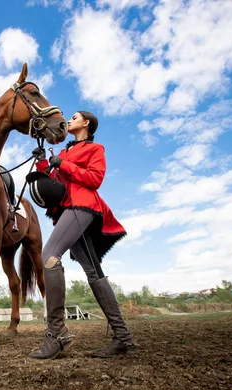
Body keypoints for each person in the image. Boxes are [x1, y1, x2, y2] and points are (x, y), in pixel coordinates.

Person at [28, 111, 138, 360]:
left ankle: (56, 335)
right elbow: (56, 182)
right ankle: (123, 336)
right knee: (93, 271)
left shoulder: (95, 148)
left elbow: (95, 179)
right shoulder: (64, 152)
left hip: (82, 206)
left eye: (74, 117)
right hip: (68, 210)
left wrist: (63, 164)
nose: (69, 120)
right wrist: (43, 163)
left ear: (86, 123)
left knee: (49, 256)